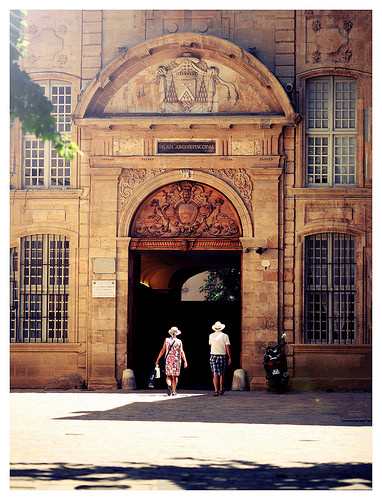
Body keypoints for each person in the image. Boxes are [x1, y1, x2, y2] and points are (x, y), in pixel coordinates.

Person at [155, 326, 188, 396]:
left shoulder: (167, 340)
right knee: (175, 376)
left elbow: (163, 350)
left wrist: (158, 359)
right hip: (176, 360)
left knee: (168, 375)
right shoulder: (179, 341)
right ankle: (173, 391)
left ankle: (169, 385)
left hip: (168, 360)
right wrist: (185, 361)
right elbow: (181, 351)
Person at [209, 321, 232, 396]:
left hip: (213, 356)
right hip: (222, 356)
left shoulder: (211, 335)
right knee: (222, 374)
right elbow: (227, 347)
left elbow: (210, 344)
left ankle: (216, 390)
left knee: (215, 374)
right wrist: (229, 357)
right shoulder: (225, 336)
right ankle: (221, 389)